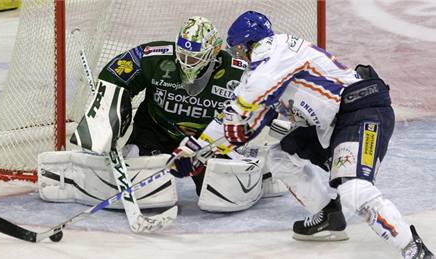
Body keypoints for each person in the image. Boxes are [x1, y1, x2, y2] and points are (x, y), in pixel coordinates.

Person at [169, 11, 433, 258]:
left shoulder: (278, 49)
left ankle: (414, 249)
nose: (239, 55)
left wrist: (238, 116)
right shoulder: (260, 71)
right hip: (331, 125)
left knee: (353, 190)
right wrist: (193, 150)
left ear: (249, 43)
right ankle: (328, 216)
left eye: (239, 48)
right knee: (281, 156)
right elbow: (231, 115)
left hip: (361, 111)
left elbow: (250, 99)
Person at [37, 16, 285, 213]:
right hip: (155, 131)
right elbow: (115, 74)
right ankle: (81, 176)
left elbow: (269, 99)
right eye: (183, 55)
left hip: (205, 142)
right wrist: (109, 114)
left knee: (222, 195)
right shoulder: (156, 57)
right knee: (139, 170)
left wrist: (279, 122)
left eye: (195, 57)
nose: (187, 63)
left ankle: (261, 173)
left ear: (215, 52)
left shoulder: (238, 71)